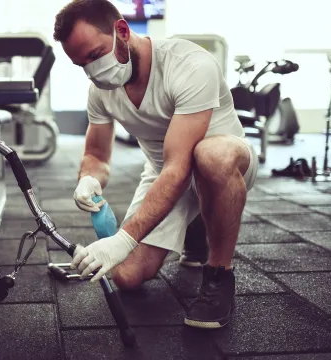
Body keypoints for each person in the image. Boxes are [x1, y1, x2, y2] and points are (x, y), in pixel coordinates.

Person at [53, 0, 258, 329]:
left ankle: (219, 274)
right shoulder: (100, 91)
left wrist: (124, 239)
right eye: (82, 65)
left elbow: (179, 167)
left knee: (209, 156)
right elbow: (96, 155)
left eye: (94, 55)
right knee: (127, 276)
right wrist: (88, 179)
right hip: (165, 175)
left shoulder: (188, 64)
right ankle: (196, 227)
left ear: (122, 30)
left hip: (224, 162)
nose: (92, 71)